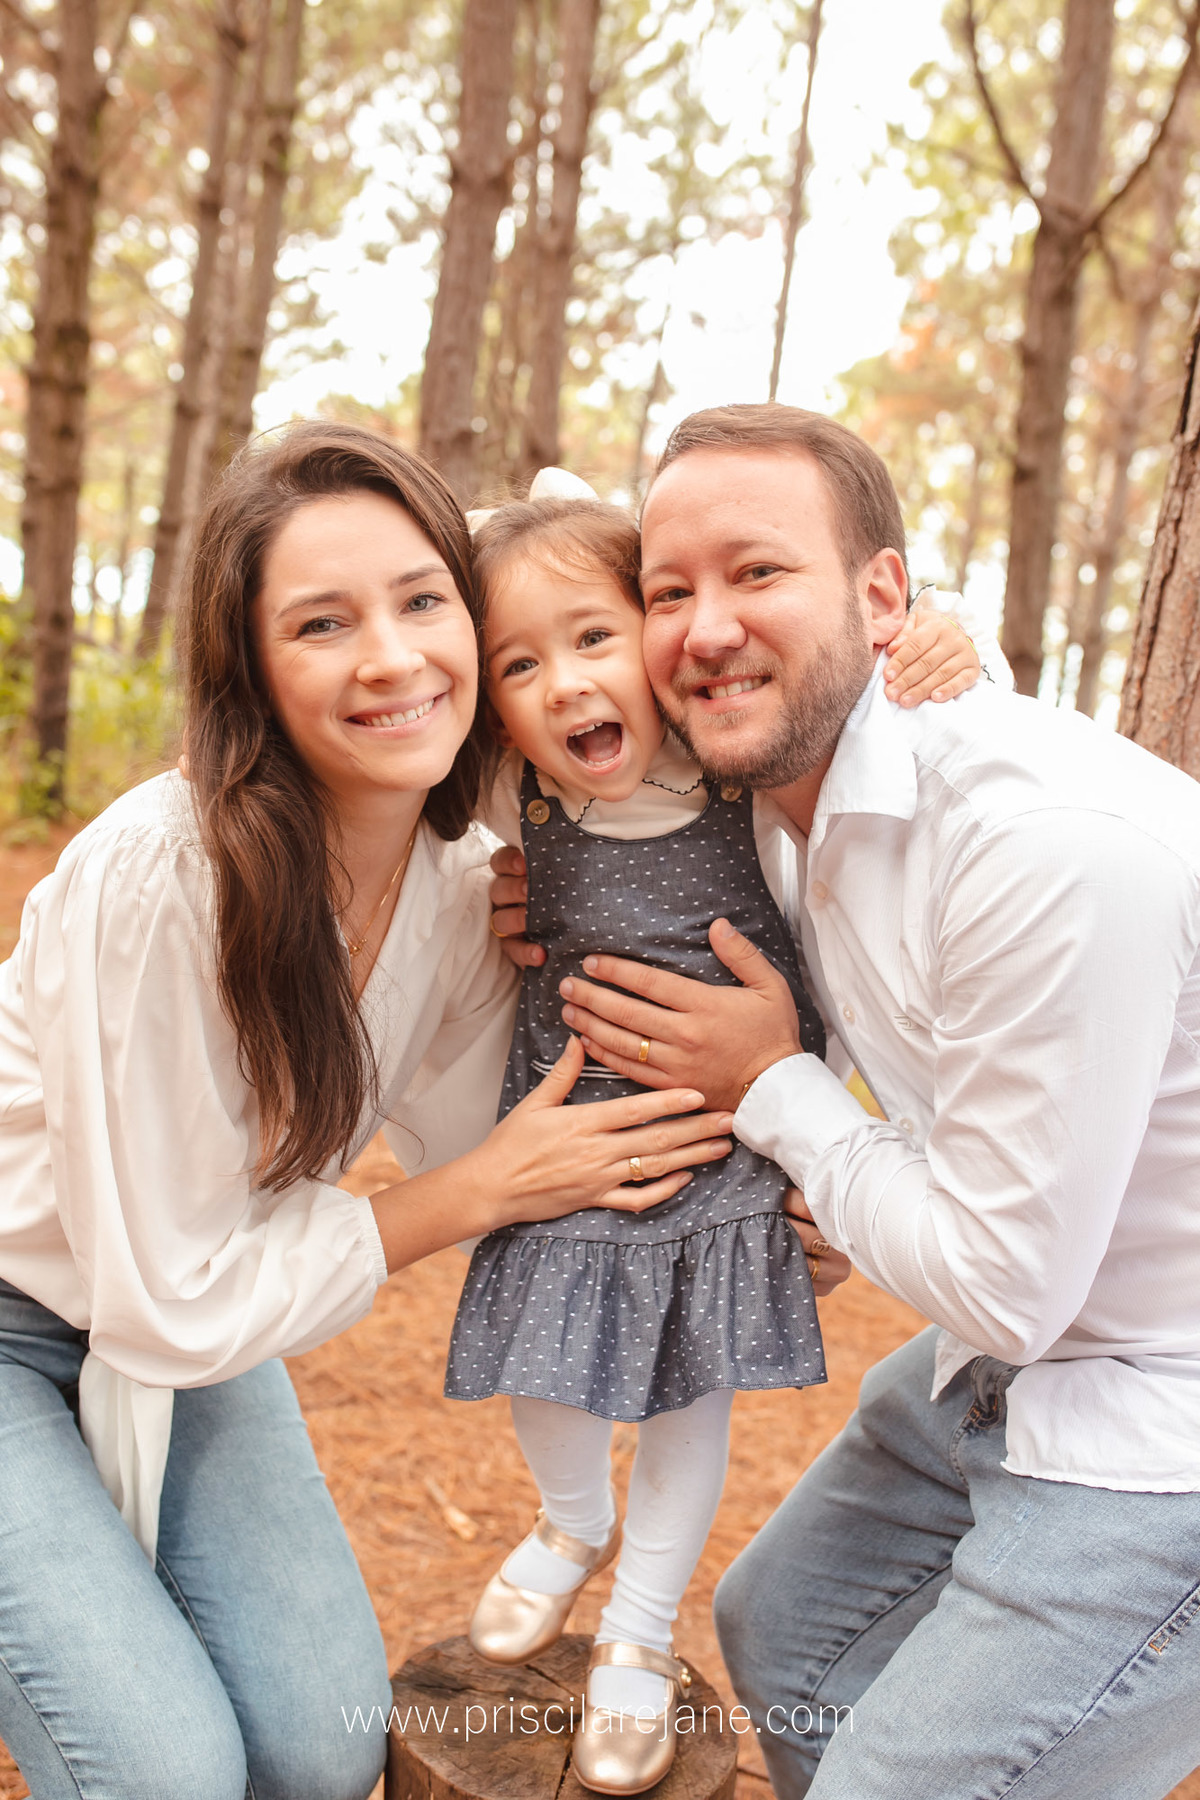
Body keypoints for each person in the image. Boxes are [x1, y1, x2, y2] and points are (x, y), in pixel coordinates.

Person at [0, 422, 735, 1800]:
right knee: (166, 1773)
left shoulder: (470, 882)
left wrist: (770, 1206)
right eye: (323, 623)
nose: (393, 659)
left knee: (325, 1752)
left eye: (422, 602)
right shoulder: (158, 882)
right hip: (42, 1310)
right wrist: (461, 1200)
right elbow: (193, 1283)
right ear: (255, 673)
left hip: (198, 1332)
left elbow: (517, 1150)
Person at [491, 405, 1200, 1800]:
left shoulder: (1043, 848)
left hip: (1158, 1411)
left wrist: (771, 1090)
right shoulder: (770, 800)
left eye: (757, 574)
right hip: (1010, 1360)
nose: (703, 630)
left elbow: (1000, 1285)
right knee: (786, 1631)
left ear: (882, 596)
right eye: (668, 591)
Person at [451, 471, 986, 1794]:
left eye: (593, 639)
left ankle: (637, 1630)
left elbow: (868, 686)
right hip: (568, 1133)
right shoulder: (517, 802)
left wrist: (955, 627)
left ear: (647, 634)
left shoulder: (742, 773)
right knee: (547, 1357)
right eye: (521, 664)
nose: (570, 686)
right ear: (494, 703)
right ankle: (573, 1521)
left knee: (691, 1393)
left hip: (720, 1149)